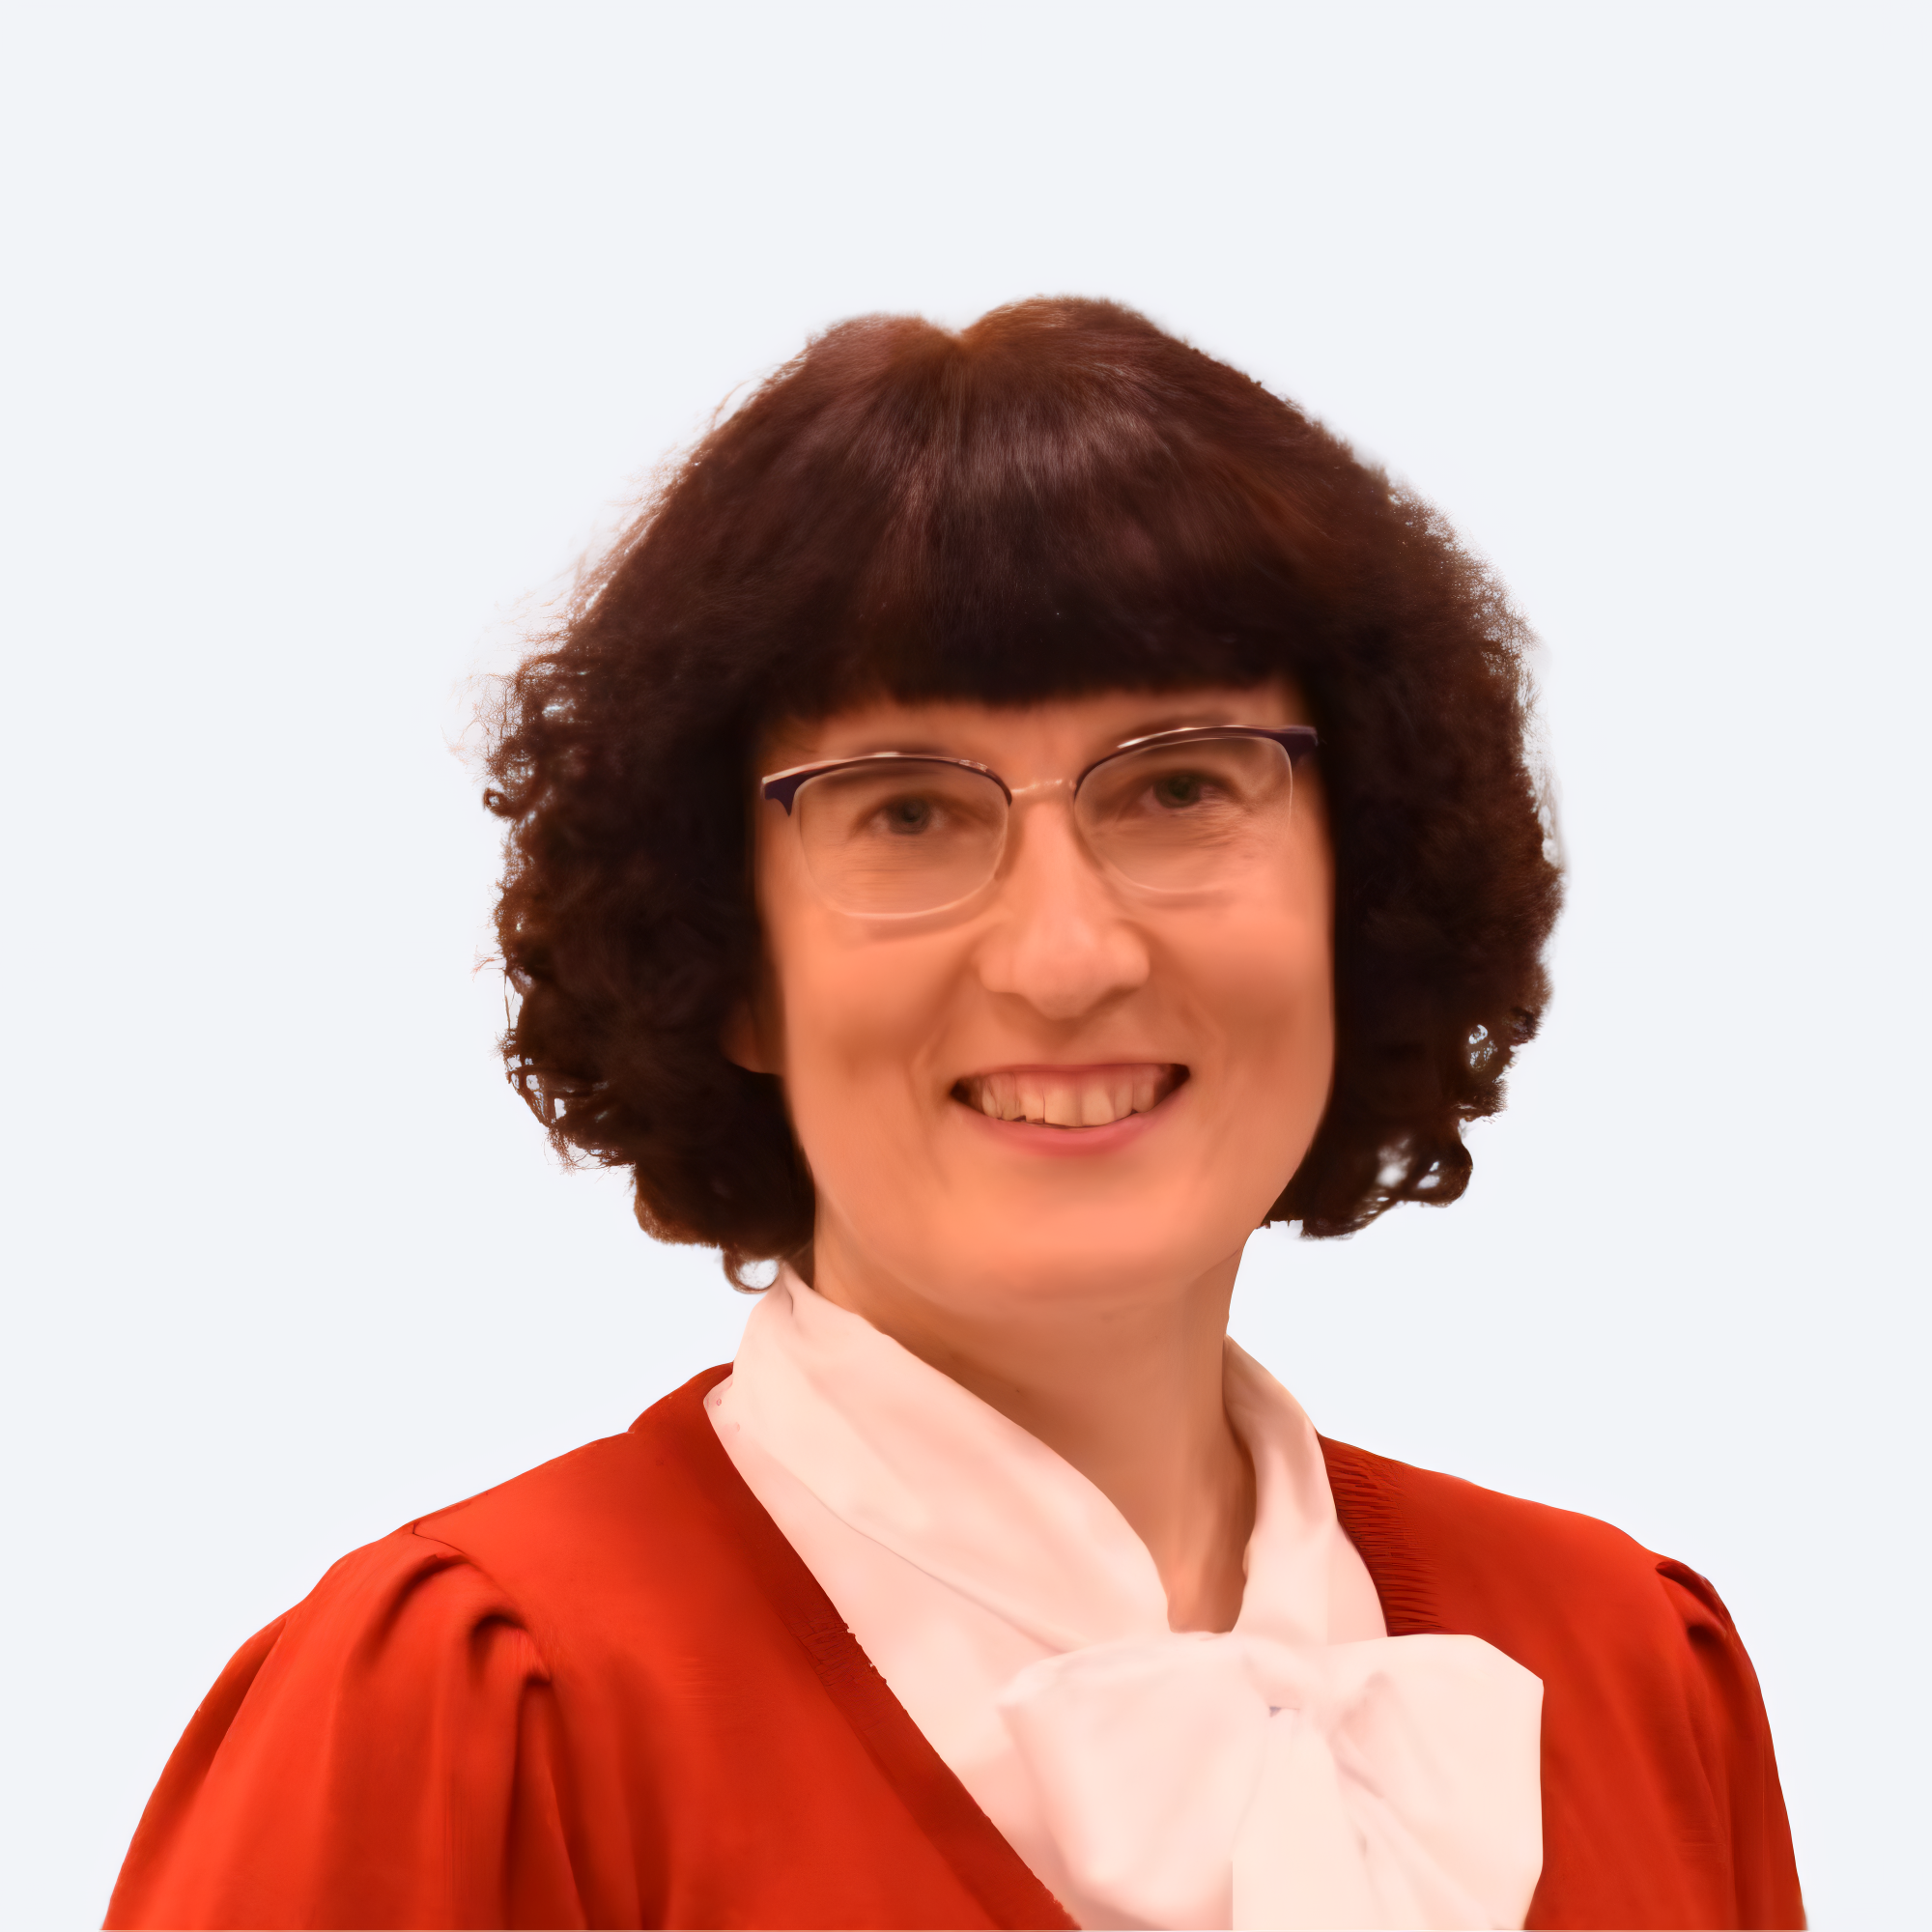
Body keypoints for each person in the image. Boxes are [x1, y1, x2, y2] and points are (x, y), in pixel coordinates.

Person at [105, 298, 1802, 1931]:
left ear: (1357, 895)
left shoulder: (1630, 1676)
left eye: (1181, 785)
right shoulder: (480, 1722)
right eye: (906, 812)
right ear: (731, 959)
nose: (1068, 956)